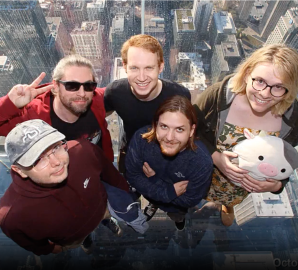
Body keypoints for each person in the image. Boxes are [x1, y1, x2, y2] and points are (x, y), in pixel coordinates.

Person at [0, 55, 142, 235]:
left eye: (88, 85)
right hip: (60, 180)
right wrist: (9, 104)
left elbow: (130, 91)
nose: (82, 93)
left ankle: (105, 219)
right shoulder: (33, 117)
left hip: (97, 169)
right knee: (79, 214)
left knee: (101, 200)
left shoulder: (96, 100)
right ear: (56, 86)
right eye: (72, 85)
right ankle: (86, 234)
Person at [193, 44, 298, 226]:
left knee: (230, 199)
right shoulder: (219, 97)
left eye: (278, 87)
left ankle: (228, 206)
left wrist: (276, 185)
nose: (264, 94)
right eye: (259, 81)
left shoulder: (292, 117)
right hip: (201, 172)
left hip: (239, 188)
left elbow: (289, 159)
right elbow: (189, 129)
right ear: (246, 74)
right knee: (191, 194)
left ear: (289, 90)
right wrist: (217, 158)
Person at [0, 119, 130, 256]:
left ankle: (107, 221)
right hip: (74, 237)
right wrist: (49, 249)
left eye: (56, 147)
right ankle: (86, 240)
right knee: (82, 238)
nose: (57, 162)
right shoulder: (11, 217)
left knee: (105, 216)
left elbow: (110, 174)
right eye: (38, 159)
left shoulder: (84, 151)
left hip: (101, 210)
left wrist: (124, 193)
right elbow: (30, 242)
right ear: (19, 170)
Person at [104, 34, 191, 173]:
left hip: (166, 157)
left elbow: (188, 133)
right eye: (134, 68)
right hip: (130, 152)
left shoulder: (179, 96)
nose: (142, 77)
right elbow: (97, 115)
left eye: (149, 68)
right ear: (124, 66)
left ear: (161, 67)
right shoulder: (115, 92)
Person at [125, 96, 213, 231]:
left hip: (175, 207)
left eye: (179, 129)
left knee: (177, 216)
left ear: (192, 131)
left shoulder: (201, 162)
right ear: (155, 125)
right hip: (155, 195)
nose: (170, 138)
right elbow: (132, 176)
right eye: (164, 126)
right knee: (155, 199)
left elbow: (190, 200)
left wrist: (153, 181)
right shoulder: (142, 139)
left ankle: (178, 219)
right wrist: (169, 191)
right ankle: (154, 204)